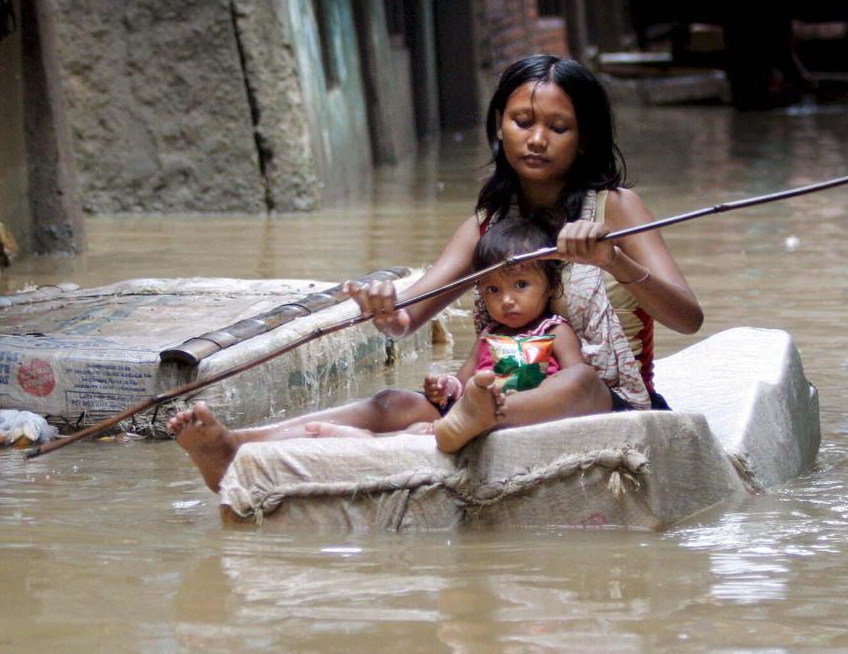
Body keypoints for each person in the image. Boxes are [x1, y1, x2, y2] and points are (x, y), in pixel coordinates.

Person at [170, 54, 703, 494]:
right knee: (390, 403)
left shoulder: (616, 208)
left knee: (580, 378)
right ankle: (235, 448)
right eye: (523, 123)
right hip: (481, 399)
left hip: (601, 402)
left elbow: (688, 317)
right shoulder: (484, 225)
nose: (537, 139)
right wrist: (383, 307)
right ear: (500, 127)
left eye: (557, 127)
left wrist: (615, 260)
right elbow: (408, 317)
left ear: (582, 138)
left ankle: (481, 417)